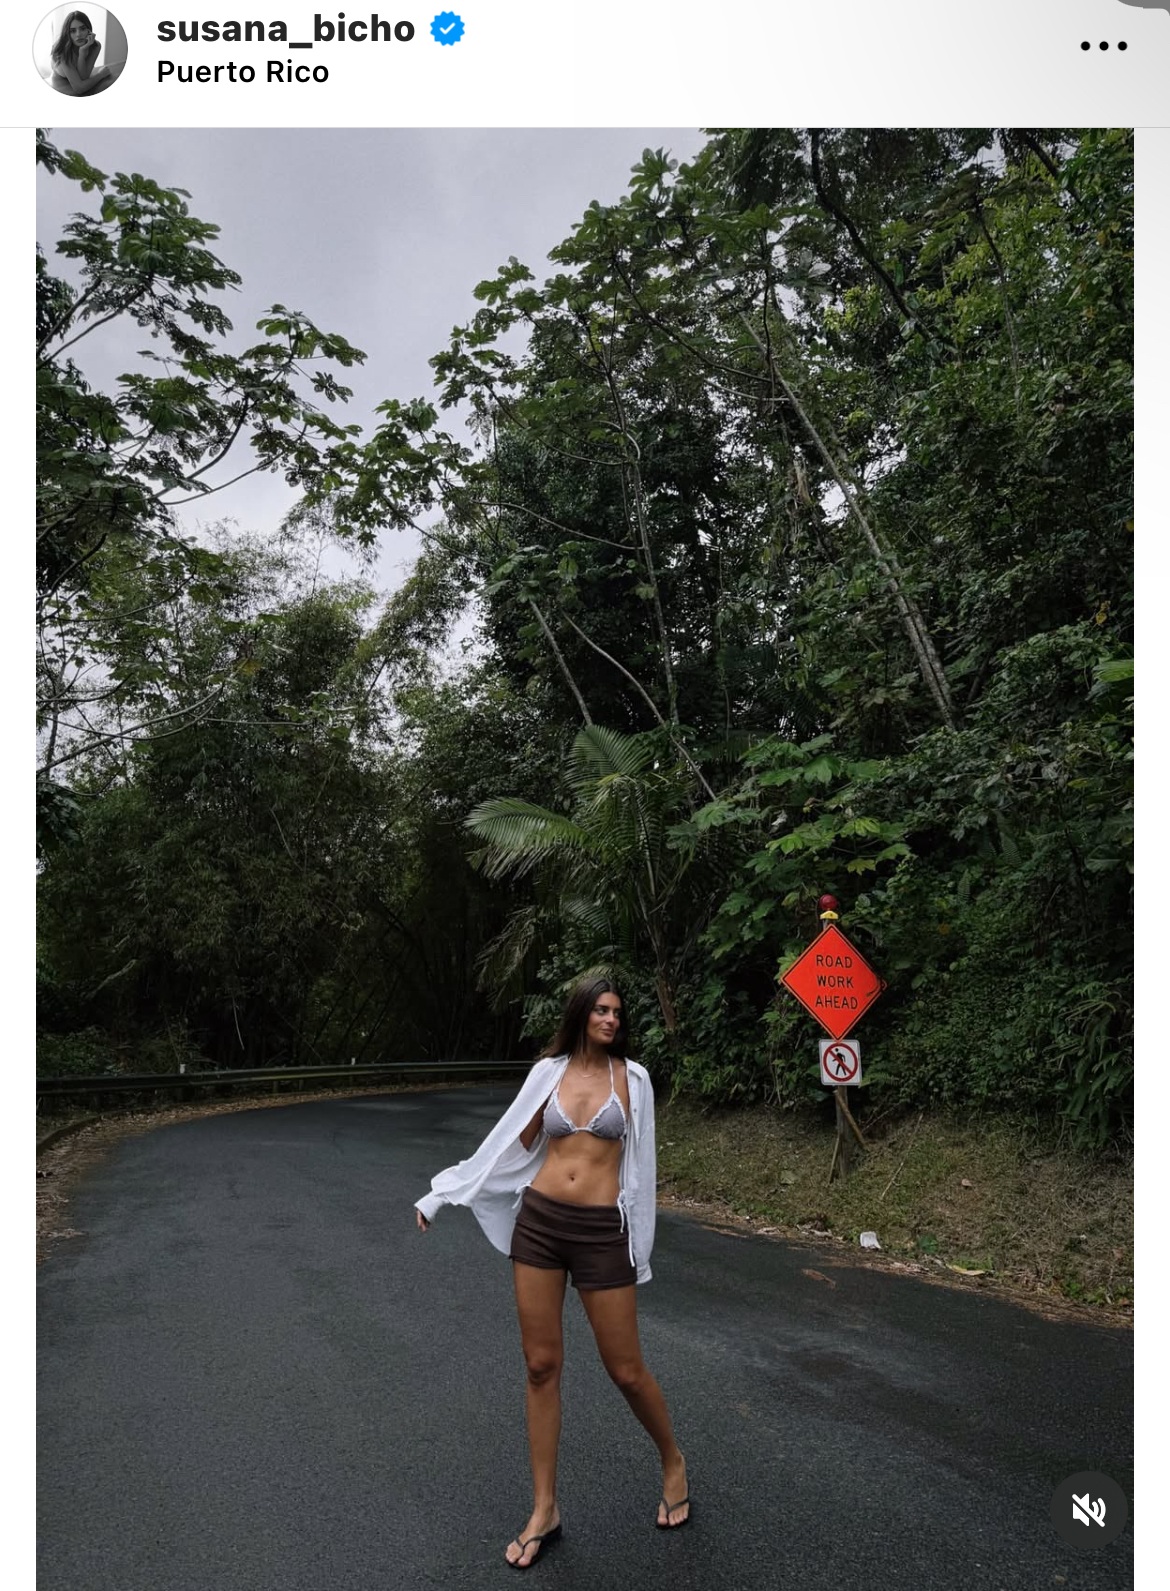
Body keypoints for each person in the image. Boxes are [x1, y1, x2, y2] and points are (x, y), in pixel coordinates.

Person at [414, 974, 691, 1568]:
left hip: (601, 1232)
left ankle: (672, 1460)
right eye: (601, 1010)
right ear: (581, 1014)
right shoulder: (549, 1074)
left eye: (617, 1012)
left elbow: (641, 1169)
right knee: (540, 1367)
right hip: (540, 1225)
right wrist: (443, 1194)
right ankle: (545, 1508)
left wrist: (638, 1247)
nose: (611, 1020)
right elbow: (506, 1145)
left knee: (625, 1369)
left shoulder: (634, 1080)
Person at [48, 12, 118, 96]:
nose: (78, 34)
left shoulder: (95, 46)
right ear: (67, 33)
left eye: (83, 29)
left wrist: (82, 52)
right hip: (59, 81)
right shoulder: (63, 51)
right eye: (73, 31)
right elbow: (79, 88)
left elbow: (84, 77)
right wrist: (100, 75)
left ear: (89, 30)